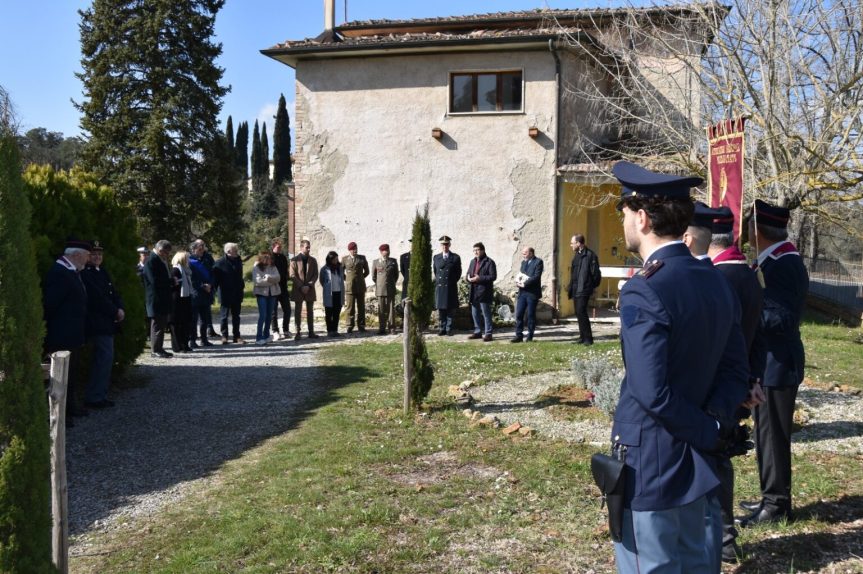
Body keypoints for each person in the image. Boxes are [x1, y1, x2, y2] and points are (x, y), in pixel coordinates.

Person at [609, 161, 749, 573]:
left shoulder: (645, 289)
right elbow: (734, 371)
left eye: (624, 215)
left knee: (650, 564)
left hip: (653, 465)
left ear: (643, 217)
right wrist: (716, 425)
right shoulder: (715, 281)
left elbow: (652, 391)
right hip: (702, 462)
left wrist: (708, 429)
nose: (624, 224)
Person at [686, 204, 766, 565]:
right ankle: (722, 535)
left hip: (717, 385)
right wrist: (752, 378)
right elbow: (757, 334)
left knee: (714, 463)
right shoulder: (747, 273)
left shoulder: (720, 278)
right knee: (721, 460)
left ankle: (721, 537)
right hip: (736, 382)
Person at [737, 199, 809, 528]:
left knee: (773, 435)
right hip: (767, 362)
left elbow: (782, 317)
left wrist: (745, 315)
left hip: (777, 364)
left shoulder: (784, 263)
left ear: (757, 230)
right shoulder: (770, 260)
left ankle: (777, 504)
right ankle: (771, 494)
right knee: (764, 433)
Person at [43, 238, 92, 424]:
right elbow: (51, 304)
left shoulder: (72, 272)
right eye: (87, 255)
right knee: (60, 376)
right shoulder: (59, 272)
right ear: (76, 255)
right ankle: (60, 413)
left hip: (72, 333)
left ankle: (70, 407)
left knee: (70, 373)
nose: (88, 260)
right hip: (61, 334)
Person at [81, 241, 124, 408]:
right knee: (103, 358)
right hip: (97, 321)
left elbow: (113, 292)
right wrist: (115, 311)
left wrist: (120, 307)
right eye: (94, 254)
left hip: (107, 321)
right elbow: (97, 298)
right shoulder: (87, 274)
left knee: (105, 359)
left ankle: (100, 394)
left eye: (100, 254)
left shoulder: (102, 271)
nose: (97, 257)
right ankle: (94, 397)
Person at [143, 240, 175, 358]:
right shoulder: (151, 261)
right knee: (156, 324)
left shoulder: (160, 260)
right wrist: (170, 281)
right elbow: (154, 281)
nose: (167, 255)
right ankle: (155, 350)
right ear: (161, 250)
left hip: (162, 298)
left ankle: (160, 348)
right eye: (166, 253)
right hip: (155, 298)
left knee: (161, 324)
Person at [567, 234, 600, 345]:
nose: (571, 245)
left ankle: (588, 339)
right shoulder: (577, 255)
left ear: (578, 243)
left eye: (572, 243)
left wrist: (589, 286)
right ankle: (582, 337)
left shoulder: (590, 255)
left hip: (584, 288)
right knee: (578, 313)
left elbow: (596, 274)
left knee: (581, 312)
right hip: (576, 288)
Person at [212, 242, 246, 345]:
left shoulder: (238, 261)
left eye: (236, 250)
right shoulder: (219, 263)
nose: (237, 252)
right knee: (224, 316)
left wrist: (242, 285)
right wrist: (212, 289)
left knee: (236, 316)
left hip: (237, 293)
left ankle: (237, 336)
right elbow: (215, 279)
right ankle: (224, 336)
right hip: (225, 293)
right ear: (228, 252)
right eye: (235, 250)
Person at [466, 242, 497, 342]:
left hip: (484, 291)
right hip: (474, 290)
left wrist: (480, 278)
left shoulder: (489, 262)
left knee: (486, 313)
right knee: (475, 313)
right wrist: (468, 278)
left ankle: (488, 333)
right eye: (474, 250)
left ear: (483, 250)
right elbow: (468, 273)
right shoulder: (472, 261)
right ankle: (478, 331)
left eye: (477, 250)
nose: (475, 252)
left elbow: (493, 276)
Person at [511, 247, 543, 343]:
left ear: (531, 253)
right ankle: (519, 335)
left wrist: (525, 283)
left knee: (530, 315)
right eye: (522, 253)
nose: (523, 255)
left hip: (532, 293)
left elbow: (536, 277)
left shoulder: (538, 262)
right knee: (519, 314)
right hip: (522, 292)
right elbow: (521, 275)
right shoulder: (523, 262)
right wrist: (518, 281)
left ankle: (530, 336)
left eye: (525, 253)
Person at [290, 239, 319, 340]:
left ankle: (311, 332)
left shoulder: (313, 260)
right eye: (307, 247)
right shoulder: (294, 260)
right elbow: (292, 274)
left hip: (310, 289)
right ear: (301, 247)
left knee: (310, 311)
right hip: (299, 289)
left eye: (309, 246)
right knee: (298, 311)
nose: (309, 249)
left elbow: (316, 274)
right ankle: (298, 332)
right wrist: (301, 286)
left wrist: (309, 285)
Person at [433, 236, 461, 336]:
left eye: (446, 244)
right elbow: (436, 272)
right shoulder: (436, 257)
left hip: (450, 286)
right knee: (441, 309)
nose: (444, 246)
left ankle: (449, 328)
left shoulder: (455, 257)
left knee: (450, 308)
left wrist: (451, 281)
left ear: (449, 245)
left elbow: (458, 273)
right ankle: (442, 328)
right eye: (443, 244)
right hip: (440, 287)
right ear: (441, 245)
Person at [189, 240, 214, 348]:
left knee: (205, 319)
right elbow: (190, 278)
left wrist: (210, 285)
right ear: (193, 250)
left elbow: (213, 273)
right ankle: (192, 340)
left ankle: (204, 340)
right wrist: (202, 286)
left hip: (206, 293)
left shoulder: (207, 259)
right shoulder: (189, 261)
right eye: (199, 249)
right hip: (195, 293)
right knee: (193, 319)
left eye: (203, 249)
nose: (202, 251)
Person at [252, 251, 281, 345]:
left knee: (269, 316)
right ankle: (259, 337)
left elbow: (278, 278)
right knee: (263, 315)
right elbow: (257, 281)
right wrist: (271, 281)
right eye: (267, 258)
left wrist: (268, 277)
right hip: (261, 294)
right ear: (262, 259)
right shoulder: (256, 267)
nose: (270, 260)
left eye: (270, 258)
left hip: (272, 294)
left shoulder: (273, 267)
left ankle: (266, 335)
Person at [341, 241, 369, 333]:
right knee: (350, 307)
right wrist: (348, 279)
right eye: (352, 249)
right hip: (350, 287)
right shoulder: (345, 259)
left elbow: (367, 271)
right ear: (349, 250)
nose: (354, 251)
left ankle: (361, 325)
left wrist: (361, 278)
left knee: (361, 307)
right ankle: (349, 325)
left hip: (360, 286)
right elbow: (341, 272)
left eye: (355, 249)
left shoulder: (362, 258)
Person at [170, 250, 194, 353]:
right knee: (177, 324)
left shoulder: (186, 270)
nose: (189, 260)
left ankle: (185, 344)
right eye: (187, 258)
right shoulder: (175, 270)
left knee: (186, 323)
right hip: (177, 301)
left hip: (186, 299)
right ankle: (177, 346)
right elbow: (173, 286)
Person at [372, 244, 399, 334]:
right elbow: (374, 277)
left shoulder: (393, 261)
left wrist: (391, 283)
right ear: (381, 252)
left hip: (390, 288)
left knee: (391, 309)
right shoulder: (376, 262)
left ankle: (392, 327)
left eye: (388, 250)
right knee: (381, 309)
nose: (387, 252)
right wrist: (380, 284)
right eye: (385, 250)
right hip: (380, 289)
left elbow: (396, 275)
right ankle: (382, 328)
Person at [270, 239, 292, 340]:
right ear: (273, 247)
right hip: (273, 287)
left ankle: (286, 329)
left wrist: (287, 276)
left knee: (287, 310)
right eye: (278, 247)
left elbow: (286, 270)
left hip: (283, 287)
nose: (280, 249)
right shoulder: (270, 257)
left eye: (280, 247)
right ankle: (275, 331)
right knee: (273, 311)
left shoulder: (283, 257)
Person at [320, 251, 345, 337]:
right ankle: (329, 330)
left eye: (337, 259)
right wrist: (327, 288)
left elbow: (342, 279)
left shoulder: (340, 268)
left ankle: (335, 330)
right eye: (334, 259)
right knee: (329, 313)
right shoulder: (324, 269)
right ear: (330, 259)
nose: (336, 260)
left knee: (336, 313)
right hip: (329, 294)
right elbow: (322, 281)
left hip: (339, 293)